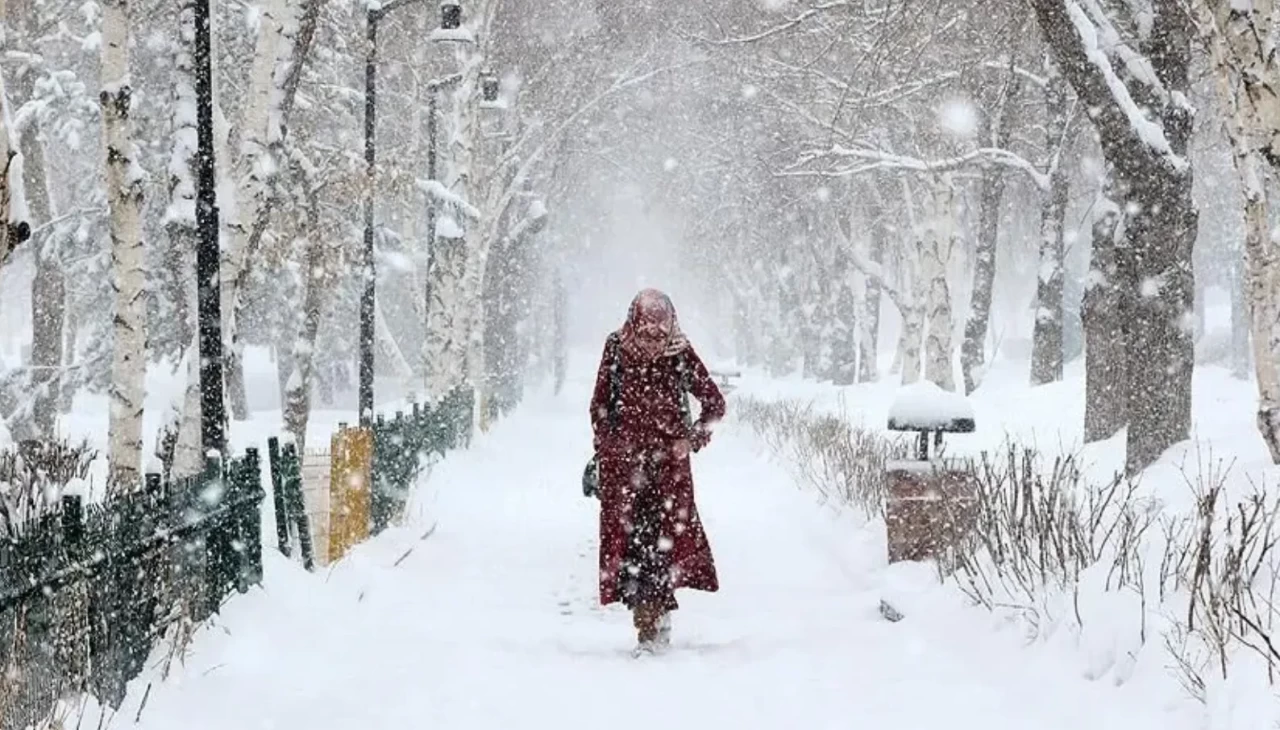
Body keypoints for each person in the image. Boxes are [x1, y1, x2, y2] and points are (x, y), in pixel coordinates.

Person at [589, 288, 726, 655]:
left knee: (661, 547)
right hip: (625, 473)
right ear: (634, 322)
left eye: (659, 334)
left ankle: (653, 623)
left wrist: (692, 440)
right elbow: (599, 406)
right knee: (633, 548)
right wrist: (609, 448)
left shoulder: (679, 353)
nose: (652, 341)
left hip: (669, 474)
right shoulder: (617, 348)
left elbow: (714, 403)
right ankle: (647, 620)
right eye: (646, 332)